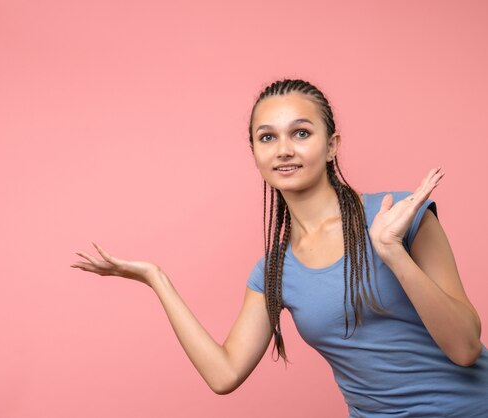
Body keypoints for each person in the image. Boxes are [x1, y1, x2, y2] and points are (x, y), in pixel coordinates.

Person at [70, 79, 488, 417]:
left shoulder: (400, 215)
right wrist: (155, 279)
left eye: (301, 133)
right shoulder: (275, 271)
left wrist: (392, 251)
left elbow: (465, 348)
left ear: (331, 145)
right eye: (267, 137)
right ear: (254, 153)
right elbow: (224, 374)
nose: (284, 149)